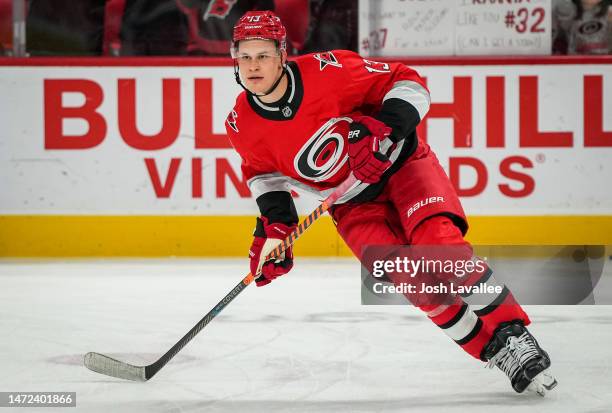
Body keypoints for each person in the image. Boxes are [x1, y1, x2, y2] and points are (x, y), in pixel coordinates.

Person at [224, 10, 558, 396]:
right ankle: (497, 350)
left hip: (402, 167)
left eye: (263, 55)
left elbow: (408, 81)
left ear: (282, 54)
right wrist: (276, 227)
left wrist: (386, 128)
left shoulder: (329, 70)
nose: (253, 66)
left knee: (440, 250)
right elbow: (263, 174)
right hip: (350, 205)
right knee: (411, 279)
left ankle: (511, 331)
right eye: (245, 56)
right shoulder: (239, 123)